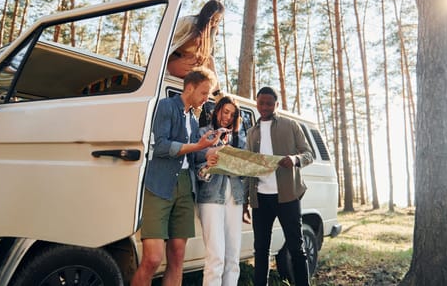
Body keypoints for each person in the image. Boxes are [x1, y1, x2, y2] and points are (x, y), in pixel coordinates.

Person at [131, 67, 224, 286]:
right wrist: (197, 145)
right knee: (152, 259)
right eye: (203, 93)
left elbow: (192, 154)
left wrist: (209, 152)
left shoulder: (193, 120)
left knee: (178, 257)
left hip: (185, 187)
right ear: (189, 88)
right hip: (159, 186)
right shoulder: (165, 106)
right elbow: (160, 146)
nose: (206, 99)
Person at [243, 86, 314, 286]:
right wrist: (247, 200)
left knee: (296, 247)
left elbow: (308, 154)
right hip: (261, 199)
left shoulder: (290, 125)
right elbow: (250, 169)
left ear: (276, 105)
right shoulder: (251, 133)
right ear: (256, 103)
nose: (264, 107)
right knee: (261, 249)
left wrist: (294, 159)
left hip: (287, 196)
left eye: (269, 103)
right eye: (261, 103)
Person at [196, 96, 246, 286]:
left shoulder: (239, 138)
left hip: (235, 195)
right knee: (215, 256)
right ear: (217, 111)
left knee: (233, 257)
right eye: (226, 112)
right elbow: (194, 165)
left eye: (233, 115)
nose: (228, 117)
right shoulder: (203, 134)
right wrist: (207, 165)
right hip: (210, 196)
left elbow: (245, 168)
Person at [167, 0, 224, 92]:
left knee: (210, 61)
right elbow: (167, 36)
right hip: (174, 62)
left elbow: (207, 56)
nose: (214, 23)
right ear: (206, 15)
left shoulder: (212, 33)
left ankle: (217, 95)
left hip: (191, 68)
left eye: (217, 21)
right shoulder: (189, 22)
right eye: (212, 19)